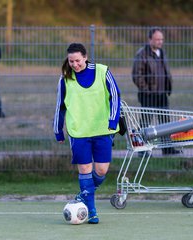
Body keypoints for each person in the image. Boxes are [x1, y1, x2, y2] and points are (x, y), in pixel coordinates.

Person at [53, 43, 121, 224]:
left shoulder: (102, 71)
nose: (74, 64)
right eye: (71, 61)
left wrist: (113, 120)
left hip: (103, 130)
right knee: (84, 169)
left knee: (101, 170)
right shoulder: (65, 79)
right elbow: (60, 105)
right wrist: (58, 129)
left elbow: (116, 95)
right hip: (79, 132)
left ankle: (83, 194)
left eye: (77, 60)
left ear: (85, 57)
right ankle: (92, 211)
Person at [132, 27, 180, 155]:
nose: (160, 42)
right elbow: (137, 76)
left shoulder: (162, 53)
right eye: (157, 39)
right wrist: (147, 90)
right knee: (145, 123)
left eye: (161, 39)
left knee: (165, 123)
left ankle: (167, 149)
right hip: (148, 95)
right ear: (149, 40)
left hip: (162, 94)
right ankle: (142, 150)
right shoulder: (142, 54)